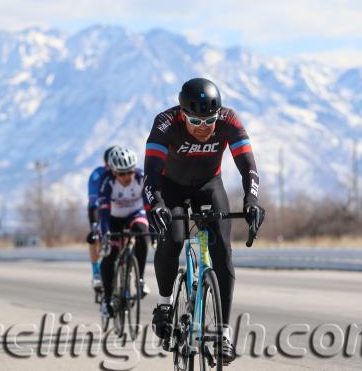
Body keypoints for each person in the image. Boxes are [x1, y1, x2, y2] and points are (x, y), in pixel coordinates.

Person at [144, 78, 265, 365]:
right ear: (183, 114)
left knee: (222, 251)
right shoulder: (165, 123)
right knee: (172, 239)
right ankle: (164, 304)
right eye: (196, 120)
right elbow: (150, 174)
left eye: (209, 120)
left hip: (208, 185)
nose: (204, 127)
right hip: (168, 186)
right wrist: (157, 204)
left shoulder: (229, 121)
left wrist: (251, 201)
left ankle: (222, 333)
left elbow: (248, 166)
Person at [95, 146, 151, 317]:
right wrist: (105, 234)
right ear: (113, 172)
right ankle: (107, 298)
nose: (127, 177)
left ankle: (140, 280)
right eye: (122, 173)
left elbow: (150, 205)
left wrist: (154, 229)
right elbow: (103, 213)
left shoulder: (141, 177)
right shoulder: (106, 182)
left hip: (135, 213)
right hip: (113, 218)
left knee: (142, 233)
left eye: (130, 172)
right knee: (110, 253)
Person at [86, 145, 118, 292]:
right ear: (107, 164)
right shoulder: (97, 175)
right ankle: (97, 272)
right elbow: (93, 204)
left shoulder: (125, 173)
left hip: (121, 209)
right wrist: (94, 225)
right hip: (101, 209)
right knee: (95, 234)